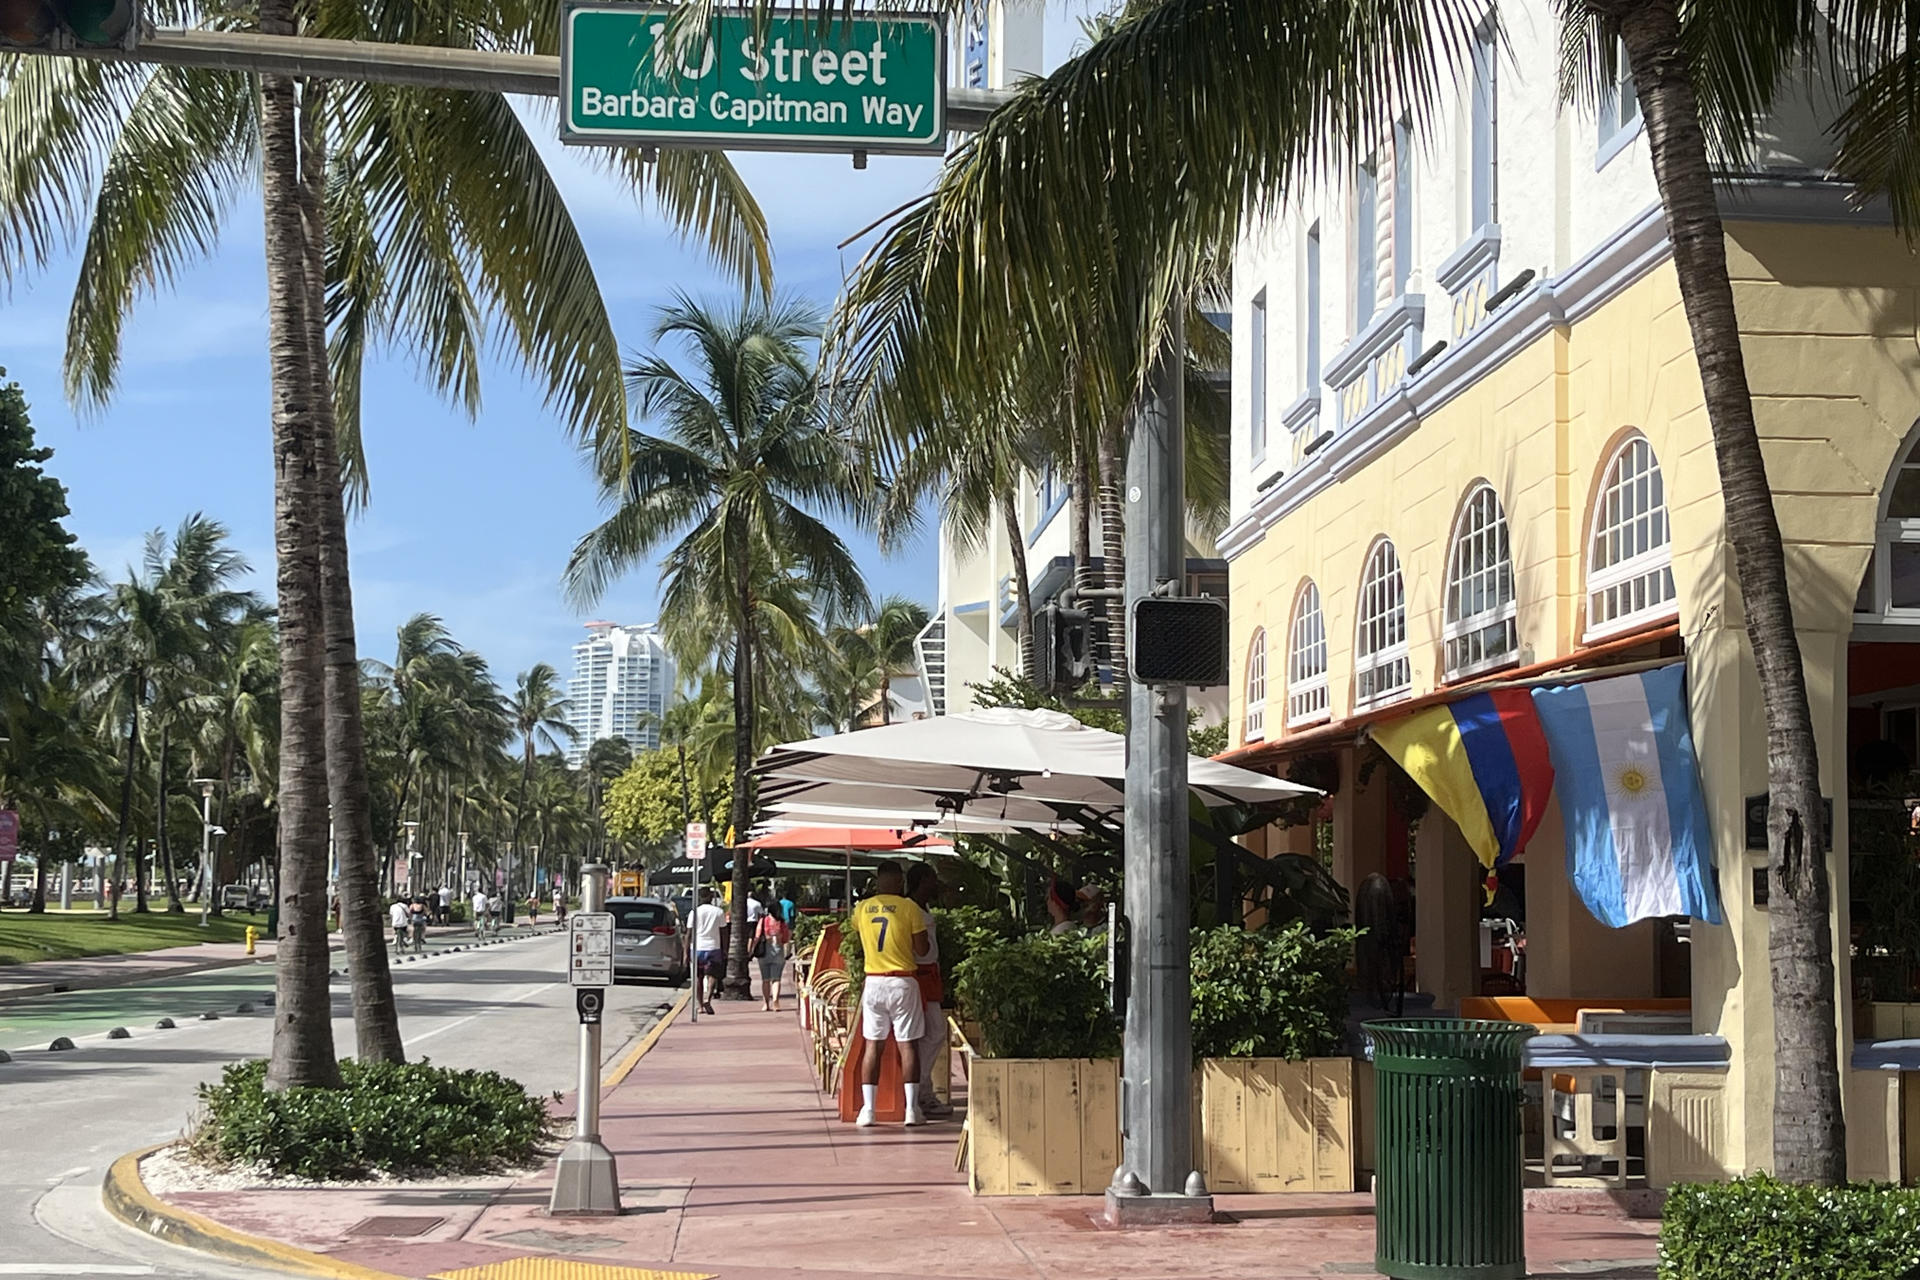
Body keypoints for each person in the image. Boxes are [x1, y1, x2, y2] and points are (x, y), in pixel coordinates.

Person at [850, 860, 930, 1128]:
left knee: (873, 1044)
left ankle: (868, 1110)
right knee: (908, 1044)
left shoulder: (862, 908)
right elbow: (921, 949)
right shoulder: (909, 908)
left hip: (873, 981)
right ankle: (911, 1109)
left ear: (877, 879)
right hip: (903, 982)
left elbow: (858, 933)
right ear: (900, 881)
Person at [904, 861, 953, 1118]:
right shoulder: (909, 908)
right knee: (930, 1032)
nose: (936, 883)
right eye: (932, 879)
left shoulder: (924, 907)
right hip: (918, 975)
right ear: (922, 881)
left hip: (930, 974)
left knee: (933, 1033)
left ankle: (924, 1089)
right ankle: (921, 1091)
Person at [691, 887, 727, 1015]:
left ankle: (700, 1006)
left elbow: (689, 933)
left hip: (698, 948)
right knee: (712, 976)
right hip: (714, 948)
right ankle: (708, 998)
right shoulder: (718, 912)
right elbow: (724, 933)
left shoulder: (694, 912)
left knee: (698, 977)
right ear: (711, 897)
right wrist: (725, 949)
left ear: (700, 898)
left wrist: (685, 952)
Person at [754, 904, 791, 1013]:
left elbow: (757, 935)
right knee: (776, 979)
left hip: (765, 952)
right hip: (778, 951)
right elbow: (786, 938)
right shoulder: (782, 922)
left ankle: (766, 1004)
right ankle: (776, 1001)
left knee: (765, 979)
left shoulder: (764, 920)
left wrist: (752, 950)